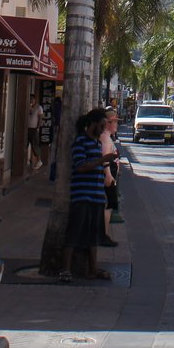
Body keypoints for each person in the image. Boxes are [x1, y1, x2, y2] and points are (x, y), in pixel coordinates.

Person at [67, 108, 112, 279]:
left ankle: (93, 268)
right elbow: (80, 166)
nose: (102, 129)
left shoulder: (97, 143)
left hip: (95, 195)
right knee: (75, 233)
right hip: (82, 194)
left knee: (93, 236)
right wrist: (102, 160)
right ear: (92, 124)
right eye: (101, 126)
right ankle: (66, 269)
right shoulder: (80, 142)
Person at [100, 107, 121, 247]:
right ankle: (103, 235)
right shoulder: (105, 138)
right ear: (108, 123)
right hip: (108, 176)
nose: (117, 125)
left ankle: (103, 234)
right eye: (114, 122)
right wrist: (108, 174)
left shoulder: (107, 137)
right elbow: (104, 158)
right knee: (107, 205)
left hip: (111, 174)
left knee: (109, 205)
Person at [26, 99, 43, 171]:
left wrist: (38, 128)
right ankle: (26, 160)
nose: (31, 101)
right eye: (30, 100)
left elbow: (40, 118)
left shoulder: (38, 107)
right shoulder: (29, 107)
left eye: (32, 100)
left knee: (34, 145)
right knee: (26, 144)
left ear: (35, 100)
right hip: (27, 128)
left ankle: (39, 161)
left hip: (34, 129)